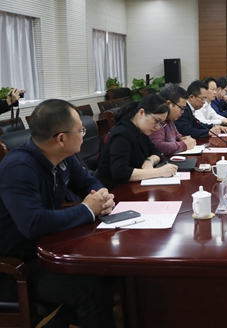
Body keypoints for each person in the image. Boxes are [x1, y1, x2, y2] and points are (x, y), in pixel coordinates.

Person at [0, 99, 117, 328]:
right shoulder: (19, 168)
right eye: (80, 130)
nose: (84, 135)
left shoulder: (64, 157)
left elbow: (88, 183)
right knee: (90, 289)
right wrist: (87, 209)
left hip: (50, 250)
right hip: (17, 267)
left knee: (109, 270)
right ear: (61, 138)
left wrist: (102, 196)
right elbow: (33, 223)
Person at [96, 94, 178, 190]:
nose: (158, 127)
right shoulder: (122, 134)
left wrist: (149, 161)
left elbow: (157, 153)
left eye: (161, 123)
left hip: (134, 186)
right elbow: (120, 172)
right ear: (141, 113)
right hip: (114, 191)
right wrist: (159, 172)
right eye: (157, 121)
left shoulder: (140, 130)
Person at [149, 84, 197, 157]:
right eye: (181, 108)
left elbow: (176, 134)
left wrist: (182, 138)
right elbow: (159, 146)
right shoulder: (157, 120)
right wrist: (184, 144)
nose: (182, 112)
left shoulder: (170, 119)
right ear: (169, 104)